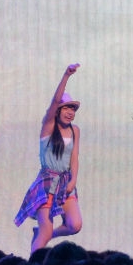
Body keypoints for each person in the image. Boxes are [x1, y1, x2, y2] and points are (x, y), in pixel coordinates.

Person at [14, 64, 83, 253]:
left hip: (66, 182)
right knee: (46, 229)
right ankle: (34, 263)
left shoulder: (75, 130)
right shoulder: (48, 127)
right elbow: (54, 101)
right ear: (58, 110)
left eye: (73, 109)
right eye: (66, 108)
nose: (70, 112)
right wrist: (66, 75)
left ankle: (42, 235)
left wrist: (73, 181)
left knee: (75, 224)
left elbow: (74, 157)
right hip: (46, 183)